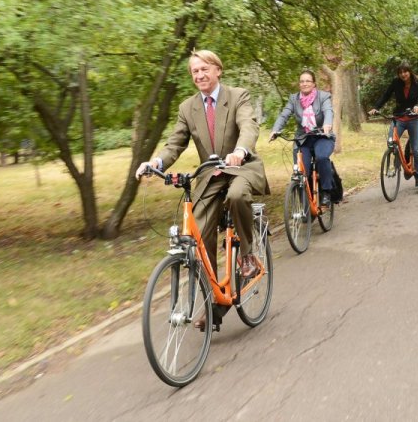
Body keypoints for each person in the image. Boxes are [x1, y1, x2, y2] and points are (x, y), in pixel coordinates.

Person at [135, 50, 270, 327]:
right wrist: (155, 162)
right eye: (195, 71)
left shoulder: (237, 96)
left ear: (218, 70)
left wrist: (241, 150)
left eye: (204, 69)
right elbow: (175, 143)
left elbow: (248, 126)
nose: (199, 75)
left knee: (236, 195)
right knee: (198, 236)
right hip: (210, 176)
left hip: (240, 167)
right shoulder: (188, 108)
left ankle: (247, 255)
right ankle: (213, 304)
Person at [269, 70, 335, 206]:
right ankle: (305, 204)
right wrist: (275, 130)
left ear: (314, 83)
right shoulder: (294, 99)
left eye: (308, 81)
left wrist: (327, 123)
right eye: (302, 81)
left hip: (321, 136)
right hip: (303, 139)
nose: (304, 84)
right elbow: (284, 115)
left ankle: (327, 191)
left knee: (322, 157)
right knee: (301, 171)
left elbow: (328, 110)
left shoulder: (323, 97)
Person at [368, 62, 418, 188]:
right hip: (399, 118)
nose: (402, 75)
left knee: (416, 149)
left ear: (410, 71)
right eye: (400, 72)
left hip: (414, 119)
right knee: (391, 142)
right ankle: (396, 166)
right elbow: (386, 96)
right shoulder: (396, 82)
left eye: (405, 72)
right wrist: (375, 107)